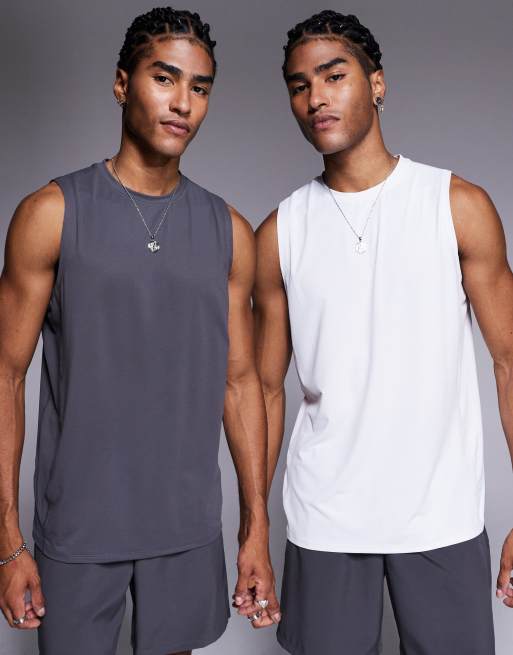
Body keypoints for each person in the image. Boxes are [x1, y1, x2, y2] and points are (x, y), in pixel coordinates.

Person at [0, 7, 280, 654]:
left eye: (200, 87)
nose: (183, 103)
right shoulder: (50, 214)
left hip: (185, 528)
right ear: (122, 83)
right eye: (164, 78)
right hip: (78, 527)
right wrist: (8, 541)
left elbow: (240, 384)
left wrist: (255, 528)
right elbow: (6, 376)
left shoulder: (229, 231)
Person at [241, 9, 513, 654]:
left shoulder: (457, 206)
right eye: (300, 85)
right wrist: (254, 530)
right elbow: (264, 390)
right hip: (326, 523)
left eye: (334, 76)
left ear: (377, 83)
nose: (316, 97)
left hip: (441, 517)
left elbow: (509, 359)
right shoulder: (280, 233)